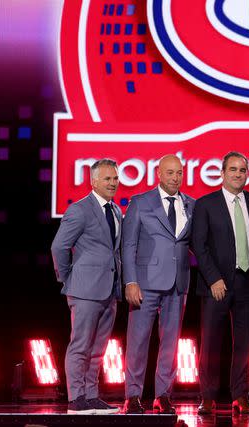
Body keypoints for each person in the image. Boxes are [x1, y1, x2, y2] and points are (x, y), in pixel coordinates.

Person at [191, 152, 249, 415]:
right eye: (232, 169)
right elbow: (198, 245)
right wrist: (213, 278)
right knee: (211, 342)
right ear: (222, 173)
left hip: (247, 282)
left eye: (242, 170)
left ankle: (240, 396)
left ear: (247, 174)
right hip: (216, 285)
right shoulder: (205, 204)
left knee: (245, 343)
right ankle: (208, 397)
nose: (237, 174)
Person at [121, 154, 195, 414]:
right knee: (138, 340)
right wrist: (130, 281)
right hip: (145, 283)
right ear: (159, 174)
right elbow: (128, 245)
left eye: (179, 173)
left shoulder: (191, 204)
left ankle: (163, 395)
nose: (176, 178)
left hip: (178, 283)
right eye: (170, 173)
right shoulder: (140, 202)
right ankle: (132, 395)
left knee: (171, 342)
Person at [51, 159, 122, 415]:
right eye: (107, 179)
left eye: (115, 178)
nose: (113, 183)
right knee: (80, 346)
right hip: (84, 290)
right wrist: (67, 278)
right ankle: (76, 398)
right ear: (93, 181)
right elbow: (59, 247)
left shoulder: (115, 210)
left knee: (98, 349)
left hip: (109, 291)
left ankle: (91, 397)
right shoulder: (79, 210)